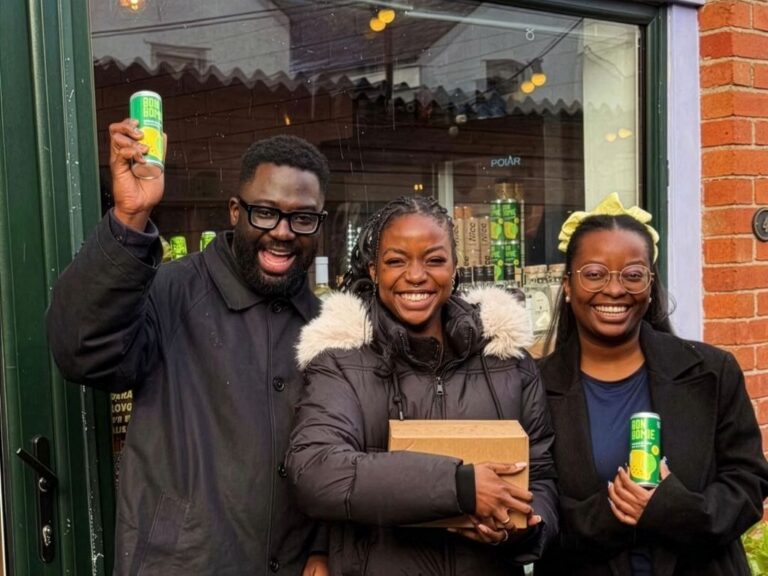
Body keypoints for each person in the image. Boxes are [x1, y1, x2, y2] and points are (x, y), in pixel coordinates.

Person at [46, 119, 330, 575]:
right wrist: (129, 220)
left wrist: (323, 547)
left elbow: (334, 454)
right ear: (236, 212)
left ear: (319, 224)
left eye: (302, 217)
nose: (282, 231)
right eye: (265, 212)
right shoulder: (173, 291)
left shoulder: (324, 326)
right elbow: (82, 351)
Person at [286, 196, 558, 576]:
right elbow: (315, 471)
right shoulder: (341, 363)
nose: (416, 276)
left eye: (434, 260)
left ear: (455, 268)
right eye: (397, 261)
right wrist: (459, 488)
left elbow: (541, 476)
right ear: (374, 270)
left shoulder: (507, 362)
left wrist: (520, 531)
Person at [536, 193, 768, 575]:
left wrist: (672, 510)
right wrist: (615, 512)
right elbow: (537, 509)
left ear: (650, 284)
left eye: (632, 274)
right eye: (594, 274)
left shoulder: (711, 371)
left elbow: (748, 484)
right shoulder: (534, 387)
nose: (614, 289)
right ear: (567, 285)